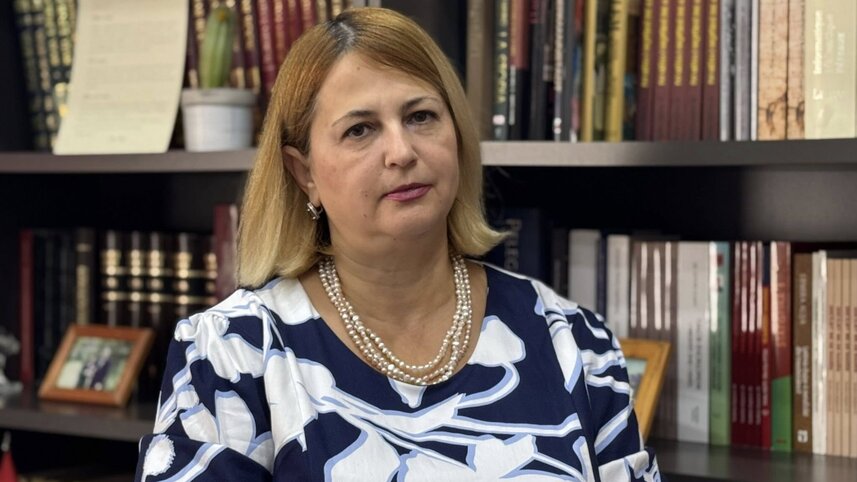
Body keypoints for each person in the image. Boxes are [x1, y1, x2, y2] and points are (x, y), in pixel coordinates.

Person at [136, 7, 658, 481]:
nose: (401, 151)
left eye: (420, 116)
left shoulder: (575, 342)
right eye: (360, 130)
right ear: (304, 173)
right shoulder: (229, 354)